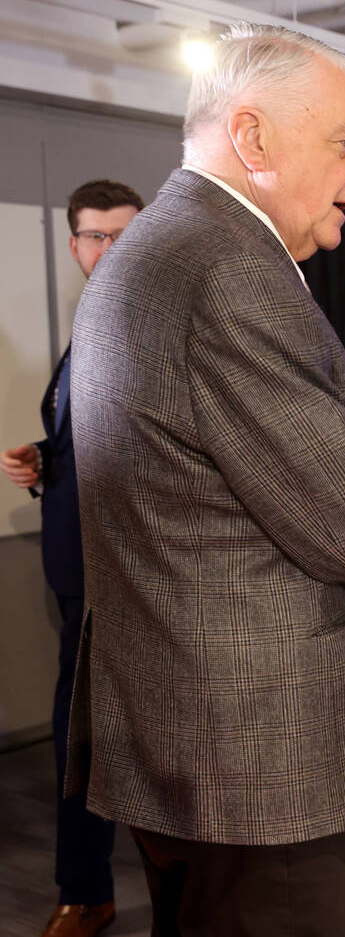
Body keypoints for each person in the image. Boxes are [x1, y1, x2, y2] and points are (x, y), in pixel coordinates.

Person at [65, 23, 345, 936]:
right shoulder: (229, 272)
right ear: (253, 139)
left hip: (197, 738)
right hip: (260, 761)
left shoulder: (161, 250)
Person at [1, 179, 143, 937]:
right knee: (80, 747)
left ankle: (99, 894)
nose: (109, 251)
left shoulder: (159, 322)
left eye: (125, 235)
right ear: (74, 245)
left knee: (135, 750)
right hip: (79, 582)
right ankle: (87, 891)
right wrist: (46, 456)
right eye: (95, 237)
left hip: (134, 585)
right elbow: (90, 439)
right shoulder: (89, 321)